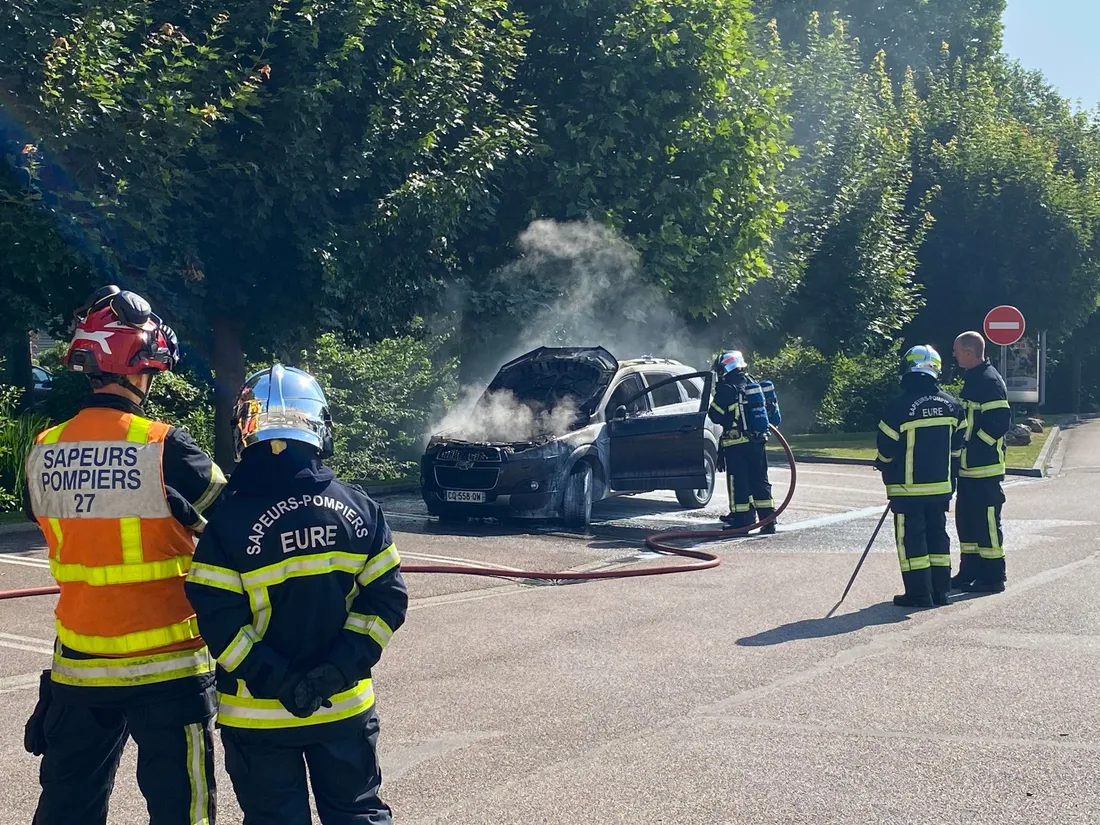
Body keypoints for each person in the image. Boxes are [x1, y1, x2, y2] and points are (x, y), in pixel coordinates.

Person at [22, 285, 226, 825]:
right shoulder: (165, 447)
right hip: (169, 671)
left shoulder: (43, 451)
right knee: (183, 812)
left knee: (68, 808)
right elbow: (233, 522)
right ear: (138, 367)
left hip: (80, 668)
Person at [184, 364, 408, 825]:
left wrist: (280, 680)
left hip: (258, 720)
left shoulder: (227, 524)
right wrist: (335, 671)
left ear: (245, 430)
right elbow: (386, 602)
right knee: (356, 816)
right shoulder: (360, 509)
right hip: (343, 709)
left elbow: (219, 623)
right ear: (320, 427)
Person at [874, 345, 966, 607]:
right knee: (938, 537)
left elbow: (886, 449)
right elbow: (958, 447)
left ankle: (918, 594)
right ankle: (940, 592)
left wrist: (882, 464)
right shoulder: (952, 405)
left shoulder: (899, 406)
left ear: (907, 368)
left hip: (907, 489)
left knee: (912, 541)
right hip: (941, 487)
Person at [951, 331, 1012, 593]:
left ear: (969, 352)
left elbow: (999, 423)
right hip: (968, 469)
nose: (953, 355)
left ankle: (993, 576)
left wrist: (973, 447)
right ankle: (970, 571)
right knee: (967, 521)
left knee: (986, 522)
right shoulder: (974, 378)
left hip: (985, 468)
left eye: (957, 350)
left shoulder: (989, 381)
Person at [708, 350, 776, 533]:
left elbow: (714, 415)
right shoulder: (752, 383)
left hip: (736, 444)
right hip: (758, 441)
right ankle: (768, 521)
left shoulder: (727, 388)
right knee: (760, 480)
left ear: (725, 368)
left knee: (739, 482)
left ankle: (742, 521)